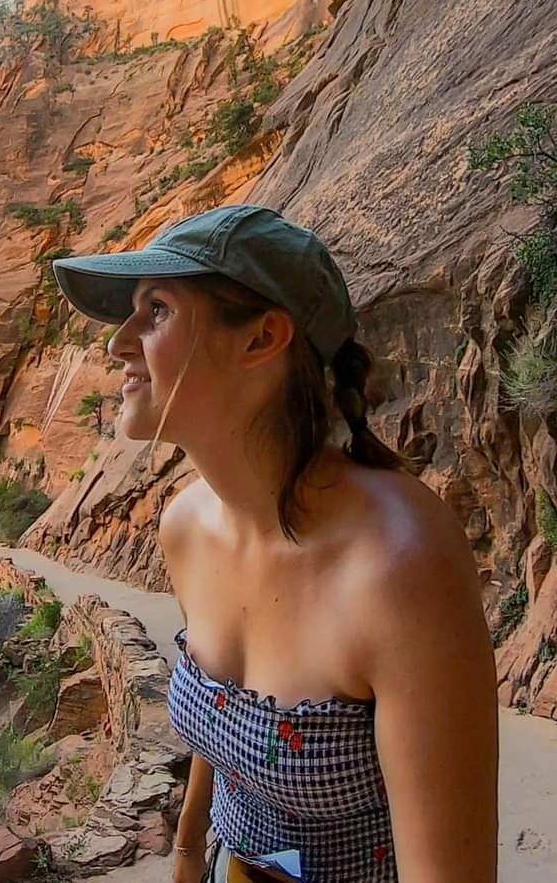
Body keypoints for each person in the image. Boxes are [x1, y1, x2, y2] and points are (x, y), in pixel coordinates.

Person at [50, 204, 498, 883]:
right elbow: (223, 717)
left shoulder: (402, 566)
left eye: (158, 310)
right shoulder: (187, 527)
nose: (119, 343)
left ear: (261, 338)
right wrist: (189, 850)